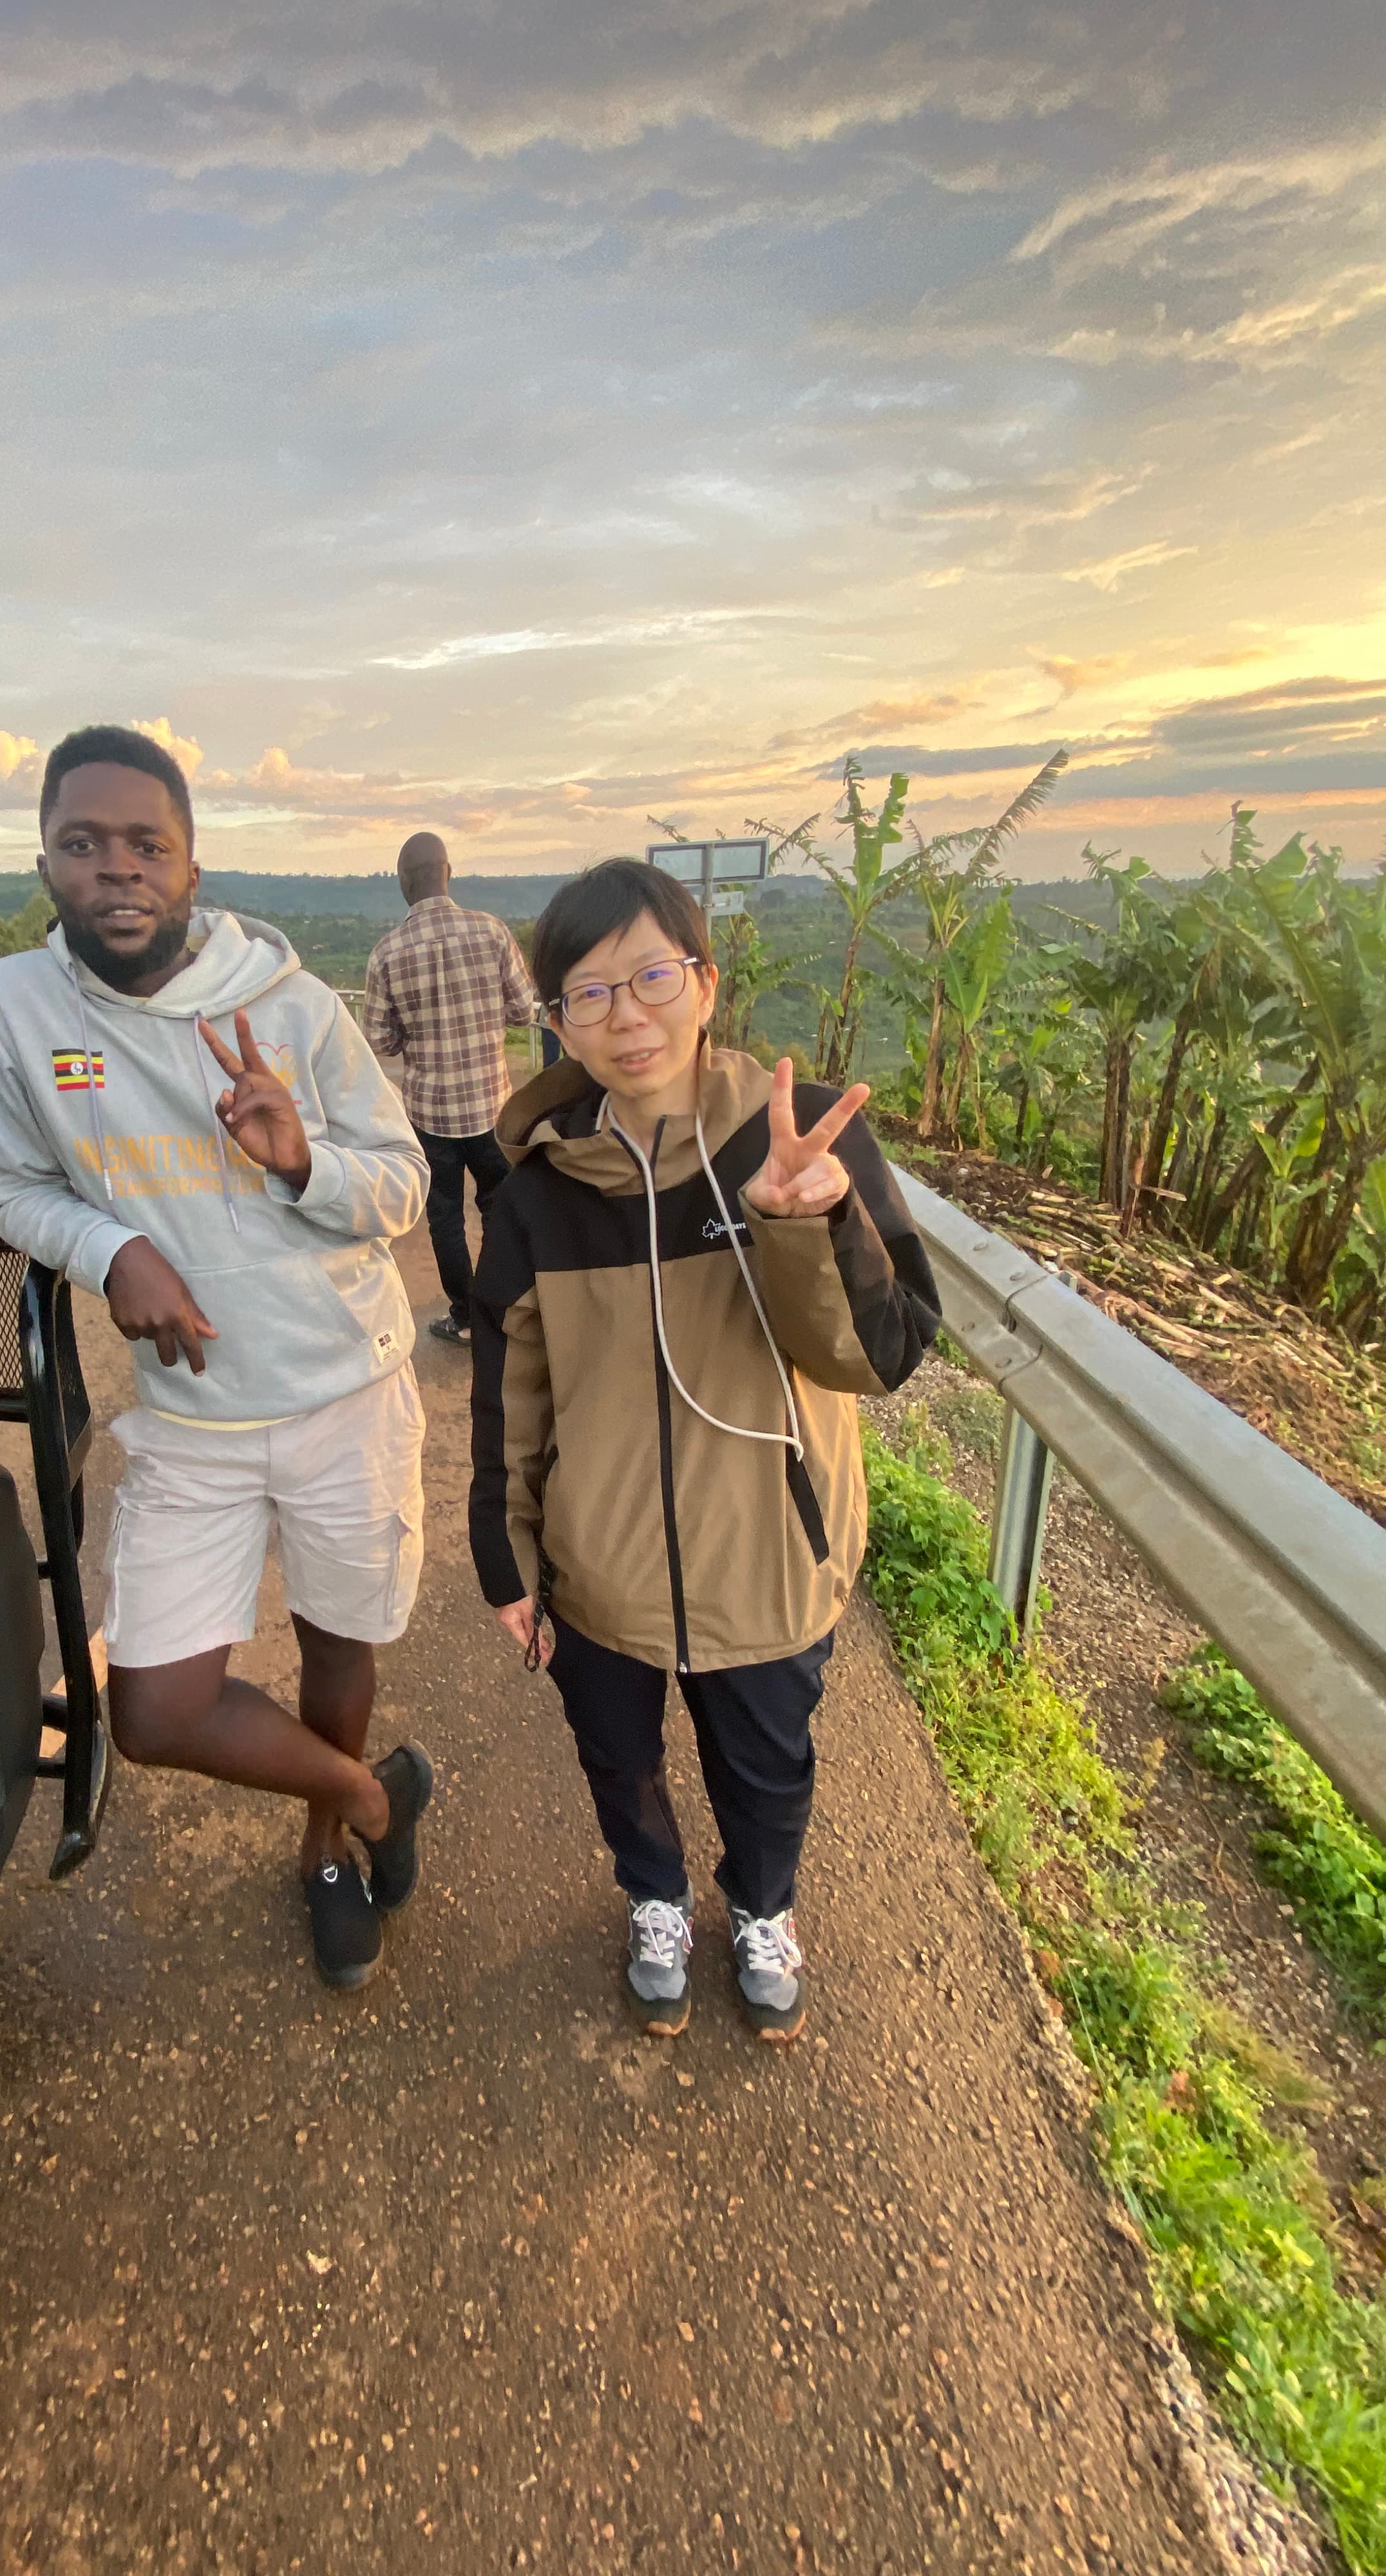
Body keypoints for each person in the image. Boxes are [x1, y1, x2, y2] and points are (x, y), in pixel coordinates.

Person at [0, 724, 436, 1991]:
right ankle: (374, 1797)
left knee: (339, 1642)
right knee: (158, 1710)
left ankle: (327, 1848)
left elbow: (402, 1186)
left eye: (144, 845)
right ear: (46, 860)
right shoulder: (15, 1009)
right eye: (82, 844)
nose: (115, 870)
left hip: (343, 1386)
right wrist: (110, 1249)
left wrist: (298, 1161)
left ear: (190, 863)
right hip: (191, 1415)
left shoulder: (290, 1007)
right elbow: (8, 1182)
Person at [468, 859, 938, 2041]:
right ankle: (655, 1899)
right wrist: (505, 1558)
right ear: (556, 1021)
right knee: (615, 1757)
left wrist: (804, 1218)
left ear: (704, 983)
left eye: (650, 977)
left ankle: (762, 1907)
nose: (624, 1015)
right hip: (601, 1567)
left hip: (768, 1554)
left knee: (766, 1769)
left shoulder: (799, 1140)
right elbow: (507, 1392)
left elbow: (876, 1359)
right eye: (586, 993)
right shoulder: (535, 1195)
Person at [363, 830, 536, 1345]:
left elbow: (380, 1039)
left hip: (430, 1113)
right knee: (500, 1208)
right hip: (493, 1104)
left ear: (402, 884)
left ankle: (464, 1317)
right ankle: (507, 1309)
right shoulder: (492, 932)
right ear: (449, 872)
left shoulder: (386, 954)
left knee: (444, 1219)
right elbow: (525, 1009)